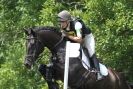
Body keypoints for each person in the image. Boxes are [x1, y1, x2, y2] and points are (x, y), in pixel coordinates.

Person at [57, 10, 102, 80]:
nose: (61, 24)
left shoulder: (77, 24)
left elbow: (80, 40)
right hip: (75, 38)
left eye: (62, 22)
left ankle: (99, 72)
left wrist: (67, 35)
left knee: (91, 53)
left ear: (68, 21)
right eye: (60, 22)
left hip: (86, 38)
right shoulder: (62, 26)